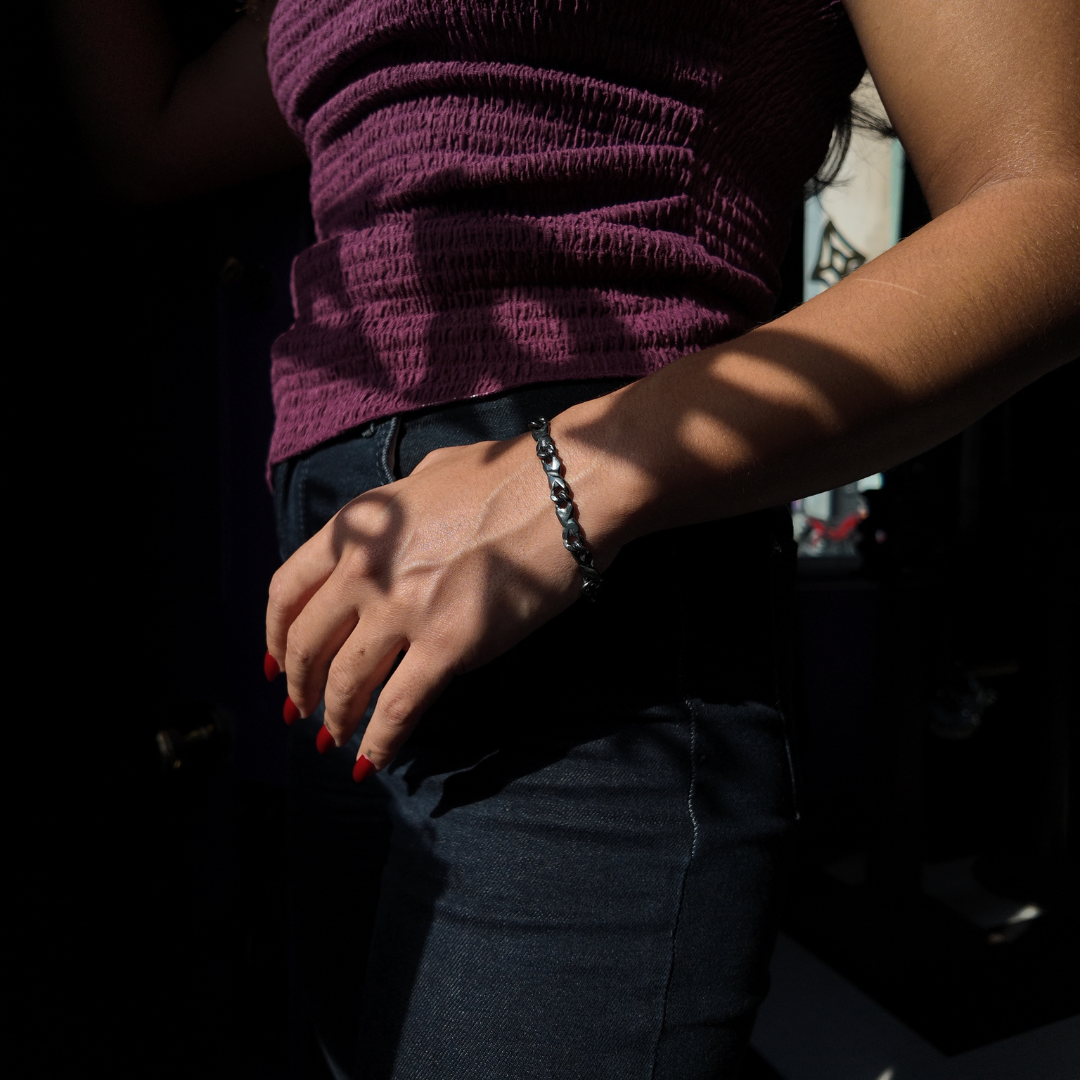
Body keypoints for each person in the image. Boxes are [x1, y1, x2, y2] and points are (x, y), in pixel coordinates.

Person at [58, 1, 1079, 1076]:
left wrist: (562, 481)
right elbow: (147, 138)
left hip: (597, 603)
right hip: (350, 625)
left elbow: (1053, 204)